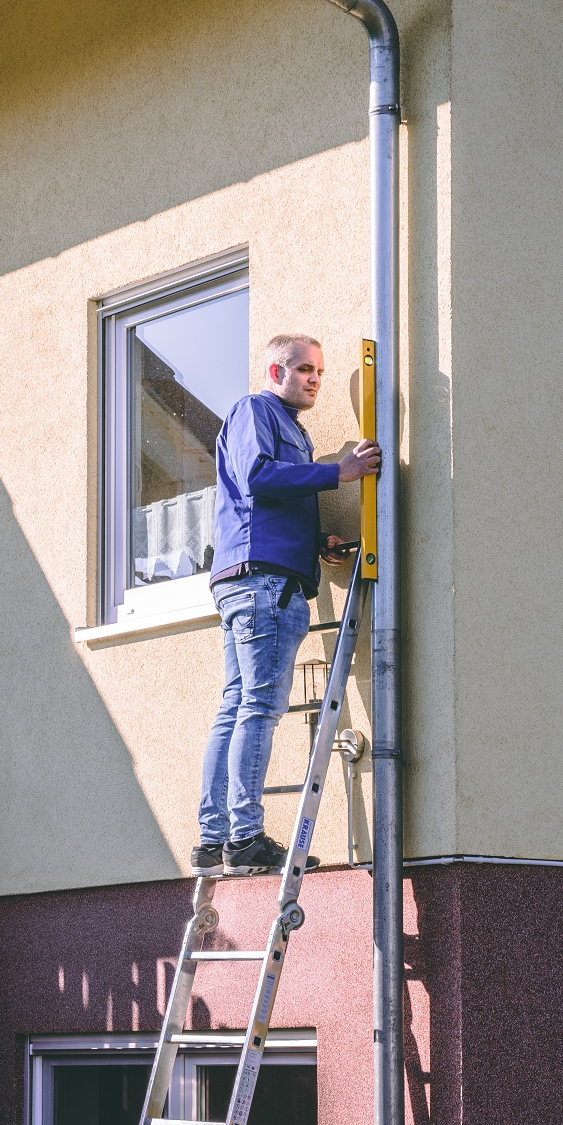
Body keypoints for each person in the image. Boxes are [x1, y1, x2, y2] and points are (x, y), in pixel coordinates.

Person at [192, 335, 381, 877]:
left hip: (254, 575)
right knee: (259, 706)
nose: (315, 379)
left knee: (237, 705)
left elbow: (268, 498)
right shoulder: (257, 409)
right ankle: (245, 837)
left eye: (319, 371)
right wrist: (337, 472)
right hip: (263, 583)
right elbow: (256, 477)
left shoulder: (289, 427)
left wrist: (314, 540)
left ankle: (214, 839)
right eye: (303, 369)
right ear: (276, 370)